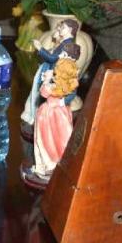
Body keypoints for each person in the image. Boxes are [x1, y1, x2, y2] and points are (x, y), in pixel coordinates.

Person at [31, 42, 80, 180]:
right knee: (47, 138)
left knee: (60, 137)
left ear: (71, 58)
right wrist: (47, 81)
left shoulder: (69, 73)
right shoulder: (57, 71)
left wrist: (61, 101)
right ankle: (48, 165)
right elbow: (44, 93)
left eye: (64, 55)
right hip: (49, 112)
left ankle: (58, 163)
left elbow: (71, 94)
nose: (61, 56)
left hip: (57, 113)